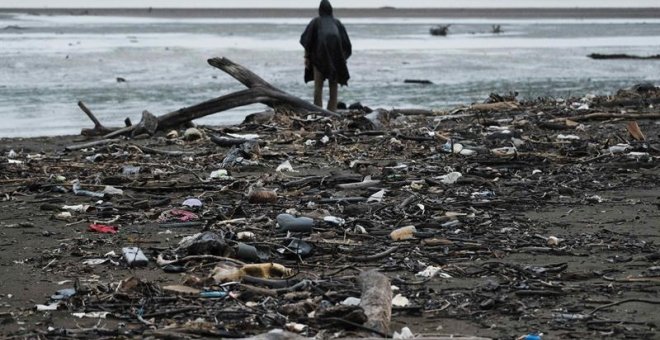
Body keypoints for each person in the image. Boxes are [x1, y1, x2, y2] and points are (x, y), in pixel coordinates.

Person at [300, 0, 352, 112]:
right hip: (335, 61)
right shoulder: (337, 23)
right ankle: (332, 111)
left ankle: (318, 111)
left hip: (318, 60)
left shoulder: (315, 22)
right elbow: (346, 44)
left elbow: (307, 40)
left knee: (318, 88)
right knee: (333, 89)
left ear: (320, 10)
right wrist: (342, 60)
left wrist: (306, 57)